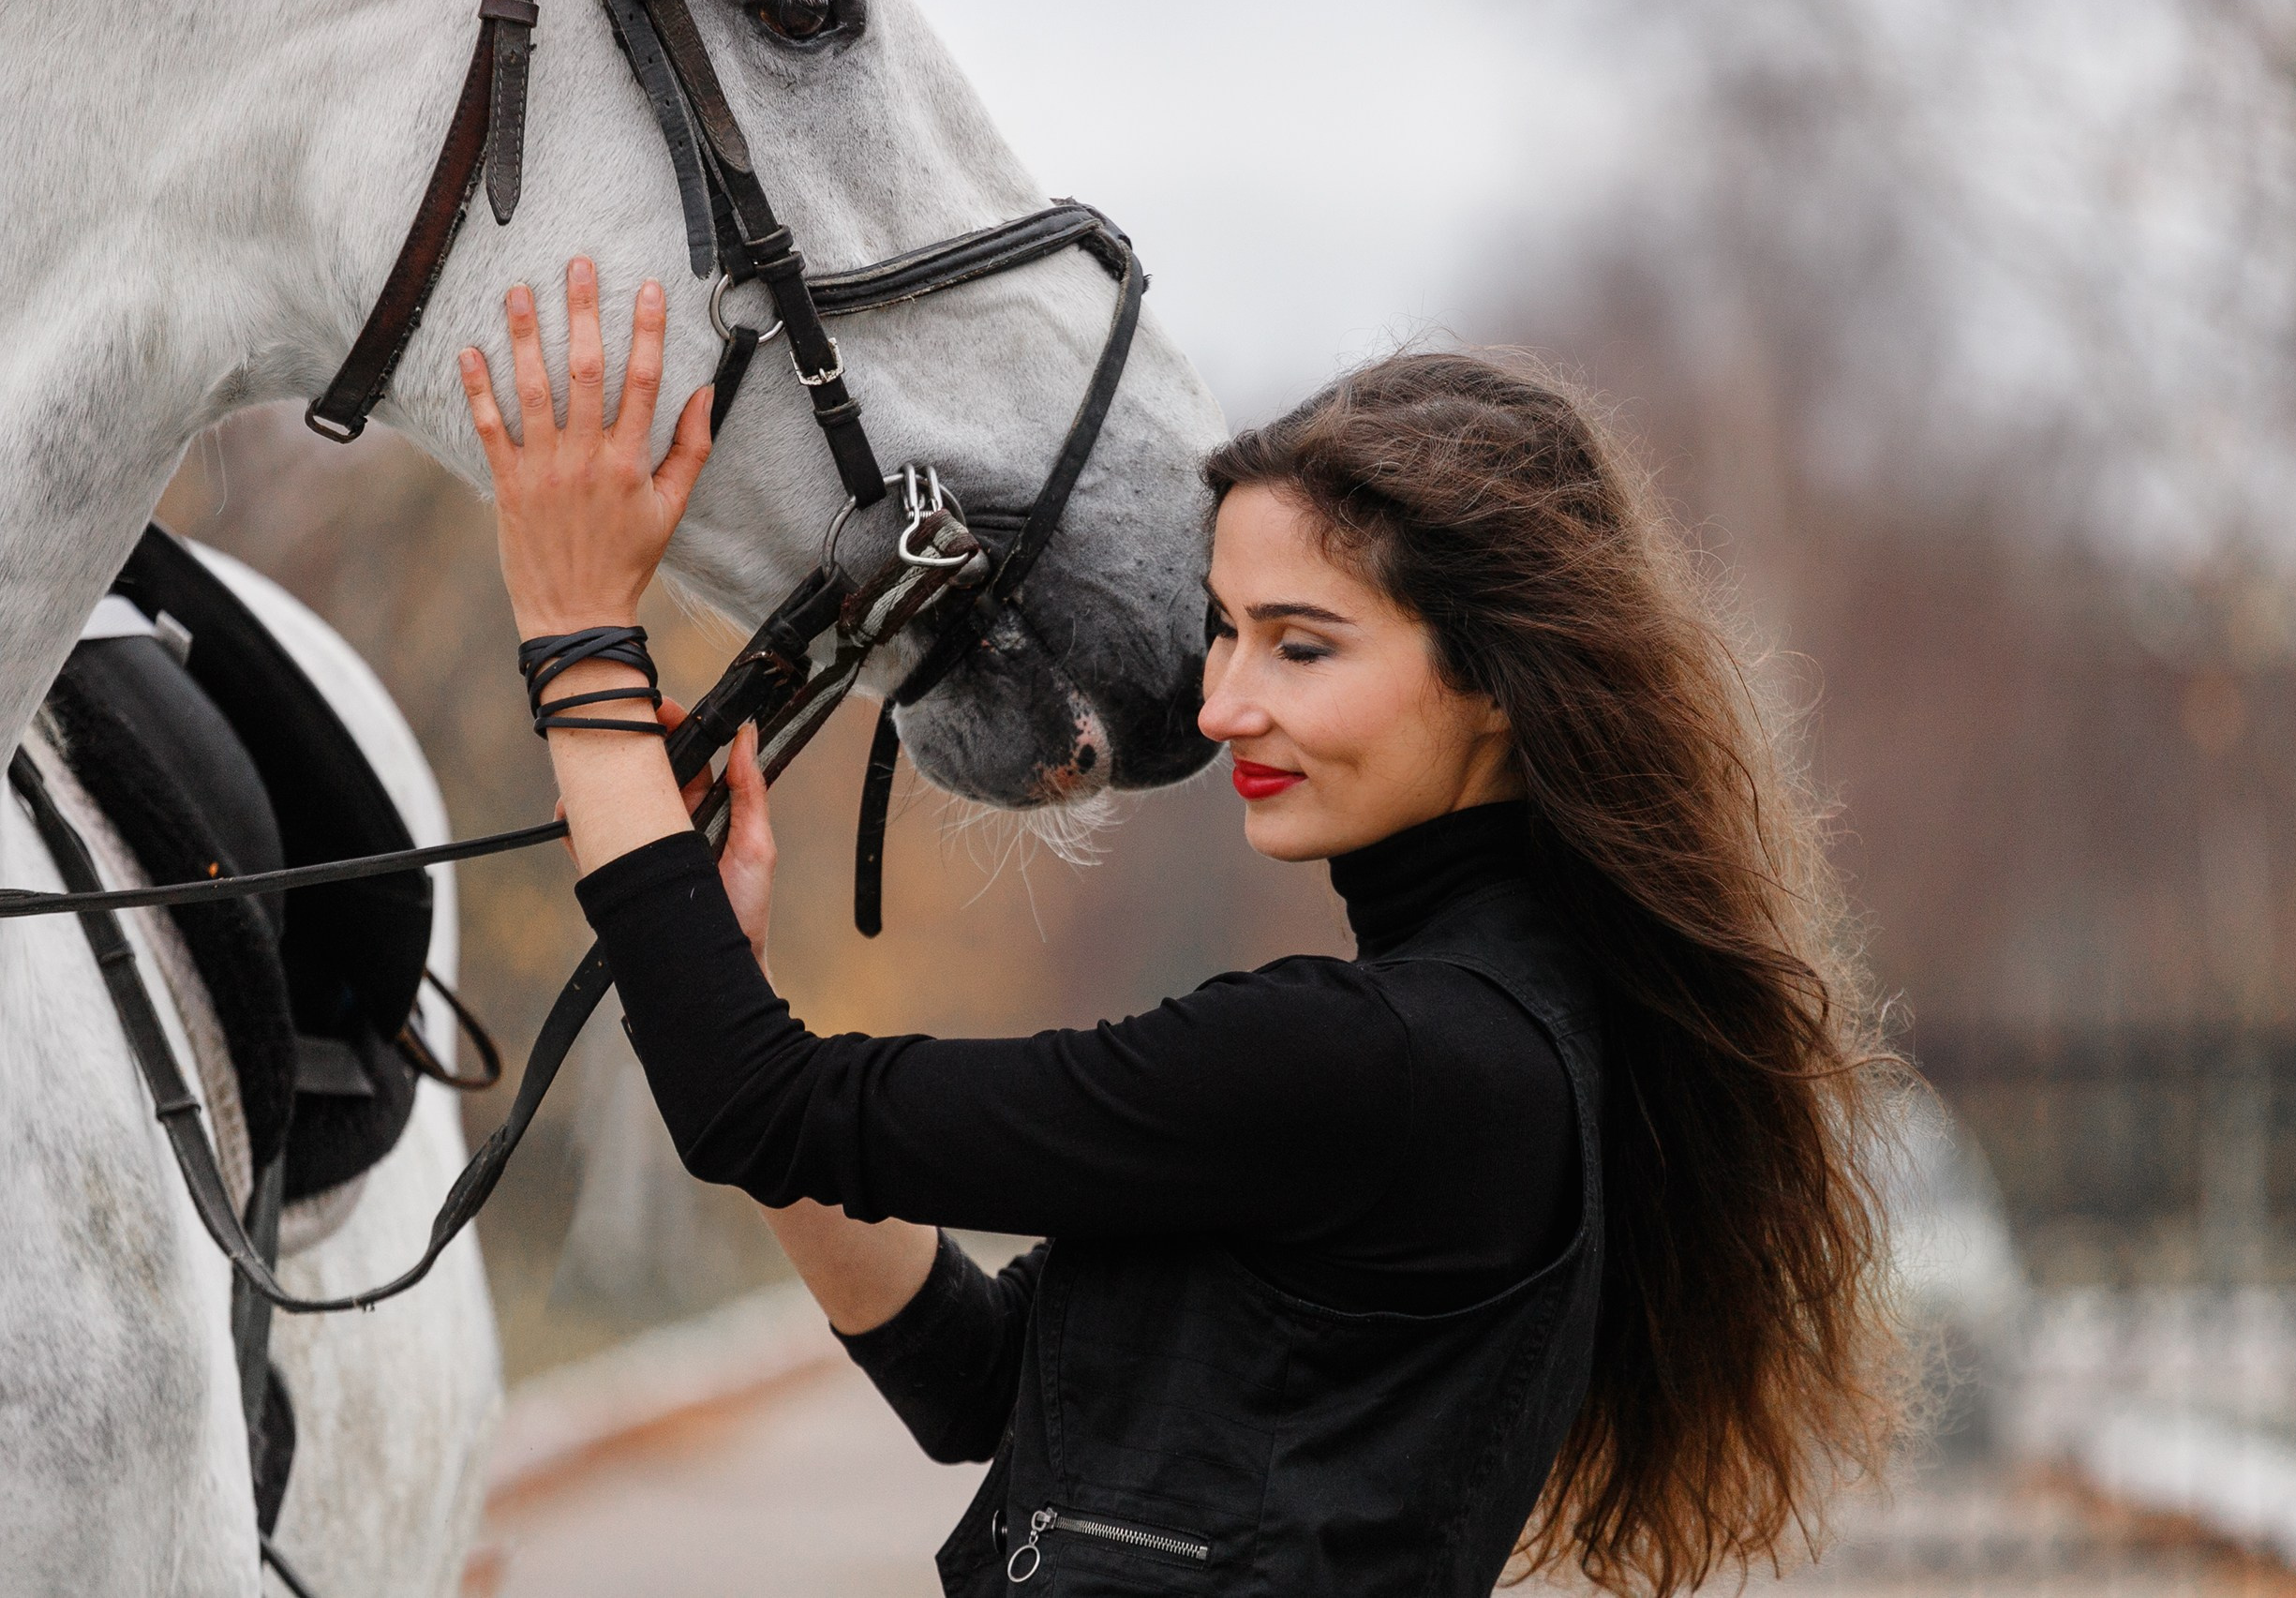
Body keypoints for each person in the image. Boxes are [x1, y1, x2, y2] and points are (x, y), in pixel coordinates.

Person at [459, 260, 1906, 1596]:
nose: (1222, 707)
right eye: (1224, 630)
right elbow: (980, 1378)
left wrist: (577, 629)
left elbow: (756, 1106)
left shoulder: (1385, 1060)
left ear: (1498, 682)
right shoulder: (1480, 1038)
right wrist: (724, 986)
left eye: (1302, 645)